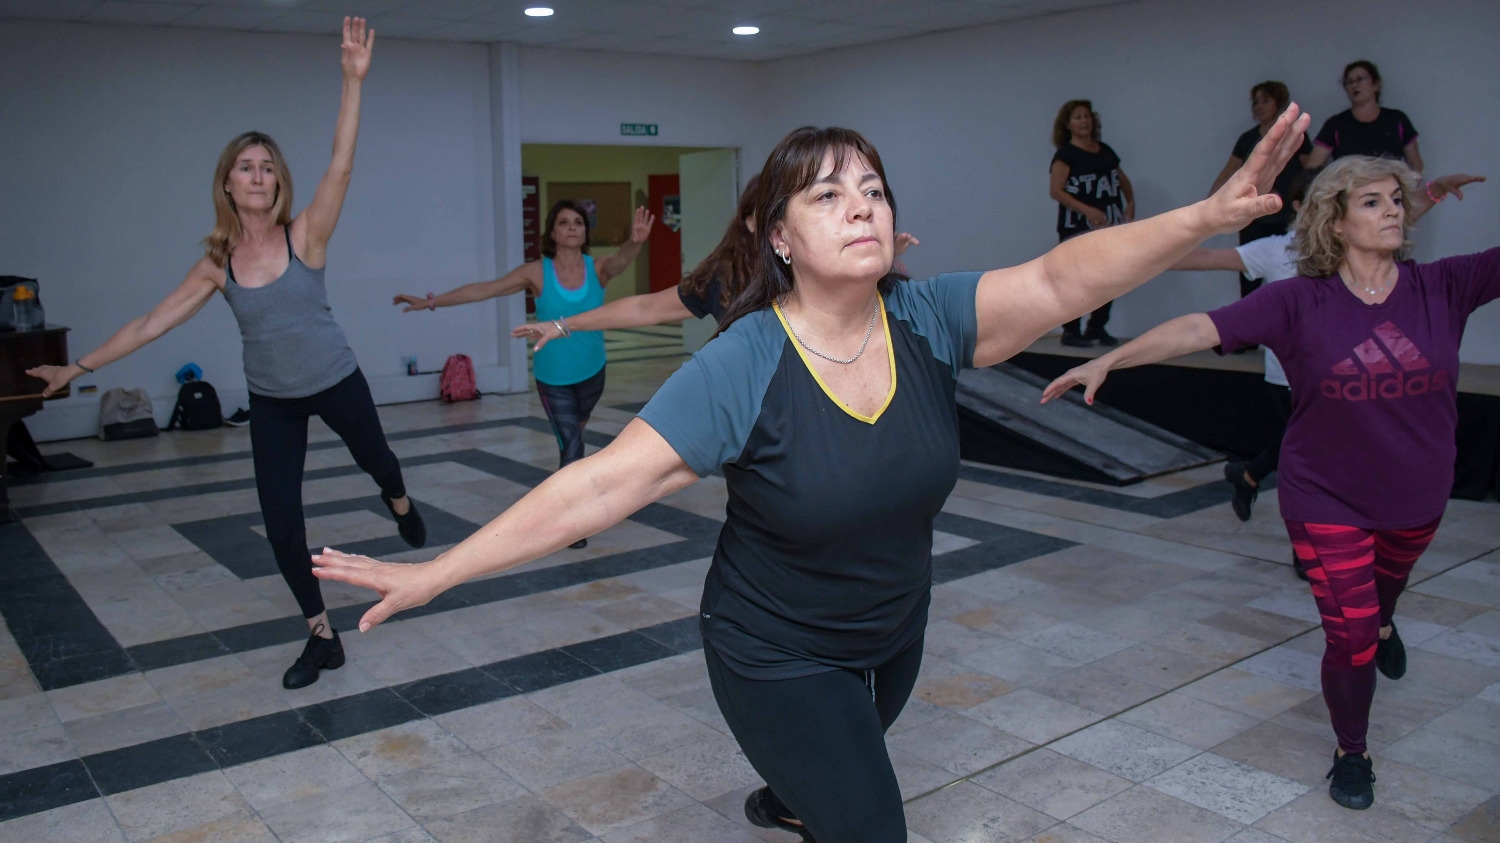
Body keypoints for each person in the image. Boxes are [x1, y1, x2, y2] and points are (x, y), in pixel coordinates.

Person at [312, 111, 1309, 843]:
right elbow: (600, 486)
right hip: (775, 647)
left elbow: (1060, 278)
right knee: (869, 823)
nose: (861, 205)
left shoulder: (925, 318)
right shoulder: (745, 362)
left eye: (872, 188)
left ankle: (790, 790)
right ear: (780, 237)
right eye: (828, 194)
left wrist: (1200, 218)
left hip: (894, 629)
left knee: (830, 774)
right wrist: (437, 572)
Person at [1041, 156, 1498, 812]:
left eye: (1396, 199)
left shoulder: (1444, 286)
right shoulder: (1298, 300)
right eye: (1372, 202)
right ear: (1334, 222)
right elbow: (1200, 328)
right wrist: (1111, 358)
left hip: (1415, 495)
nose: (1394, 210)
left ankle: (1386, 622)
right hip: (1324, 495)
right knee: (1351, 635)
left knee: (1382, 600)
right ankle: (1352, 751)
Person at [26, 19, 425, 690]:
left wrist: (353, 81)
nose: (258, 175)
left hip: (335, 379)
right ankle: (321, 638)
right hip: (273, 402)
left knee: (378, 460)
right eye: (247, 166)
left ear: (278, 182)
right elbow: (151, 322)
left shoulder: (307, 235)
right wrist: (77, 367)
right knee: (281, 526)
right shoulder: (218, 263)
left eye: (268, 166)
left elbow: (341, 163)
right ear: (229, 184)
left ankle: (400, 499)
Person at [1173, 170, 1483, 557]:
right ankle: (1311, 538)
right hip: (1290, 378)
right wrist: (1140, 257)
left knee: (1324, 445)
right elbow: (1207, 260)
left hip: (1354, 373)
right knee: (1311, 450)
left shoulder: (1363, 248)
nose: (1389, 211)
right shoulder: (1277, 249)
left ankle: (1252, 476)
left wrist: (1434, 191)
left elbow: (1394, 217)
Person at [394, 202, 653, 547]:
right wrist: (431, 301)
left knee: (575, 439)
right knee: (571, 445)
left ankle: (568, 495)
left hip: (593, 372)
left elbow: (622, 259)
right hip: (553, 378)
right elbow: (488, 288)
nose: (572, 227)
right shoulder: (537, 272)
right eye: (564, 222)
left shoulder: (599, 268)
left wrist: (636, 241)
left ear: (585, 232)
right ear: (552, 232)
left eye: (578, 222)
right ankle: (572, 524)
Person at [511, 177, 920, 351]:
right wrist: (564, 324)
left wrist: (878, 261)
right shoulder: (724, 276)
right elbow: (645, 307)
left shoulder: (825, 274)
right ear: (753, 223)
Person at [1208, 81, 1314, 298]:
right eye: (1255, 102)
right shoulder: (1247, 139)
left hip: (1290, 216)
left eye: (1265, 101)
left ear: (1278, 103)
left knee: (1292, 274)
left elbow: (1311, 171)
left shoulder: (1294, 136)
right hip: (1253, 218)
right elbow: (1229, 171)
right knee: (1249, 280)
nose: (1259, 106)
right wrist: (1209, 205)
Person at [1049, 99, 1135, 348]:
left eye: (1087, 116)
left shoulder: (1105, 150)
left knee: (1109, 277)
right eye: (1077, 117)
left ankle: (1096, 327)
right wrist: (1087, 210)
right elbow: (1056, 191)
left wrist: (1130, 202)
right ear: (1067, 124)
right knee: (1077, 279)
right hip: (1077, 226)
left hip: (1109, 224)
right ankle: (1071, 330)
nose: (1084, 121)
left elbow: (1121, 178)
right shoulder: (1065, 154)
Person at [1306, 60, 1423, 172]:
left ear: (1376, 84)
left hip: (1391, 184)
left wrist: (1412, 184)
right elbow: (1312, 167)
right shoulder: (1335, 124)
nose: (1354, 85)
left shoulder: (1397, 119)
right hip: (1350, 184)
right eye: (1349, 82)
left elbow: (1415, 164)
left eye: (1360, 79)